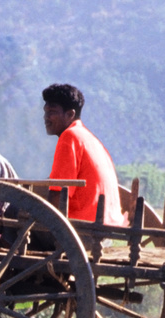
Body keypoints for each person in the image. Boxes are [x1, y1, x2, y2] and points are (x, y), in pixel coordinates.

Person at [42, 83, 125, 226]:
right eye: (45, 111)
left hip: (83, 227)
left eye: (52, 112)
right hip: (109, 224)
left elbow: (59, 192)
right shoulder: (89, 138)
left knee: (13, 213)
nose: (46, 117)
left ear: (70, 114)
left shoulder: (69, 137)